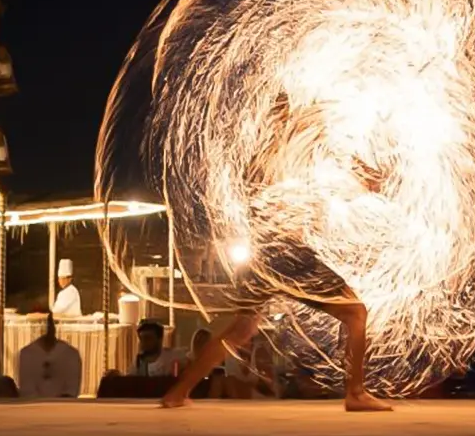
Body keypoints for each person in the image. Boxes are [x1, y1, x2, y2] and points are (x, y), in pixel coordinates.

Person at [159, 91, 392, 412]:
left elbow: (321, 188)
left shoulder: (268, 157)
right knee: (356, 313)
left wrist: (358, 175)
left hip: (260, 257)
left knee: (241, 330)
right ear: (283, 120)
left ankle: (177, 393)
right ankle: (356, 392)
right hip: (287, 255)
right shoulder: (283, 153)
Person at [17, 313, 82, 398]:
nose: (47, 328)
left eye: (50, 323)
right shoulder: (27, 354)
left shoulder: (71, 354)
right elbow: (27, 390)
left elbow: (72, 389)